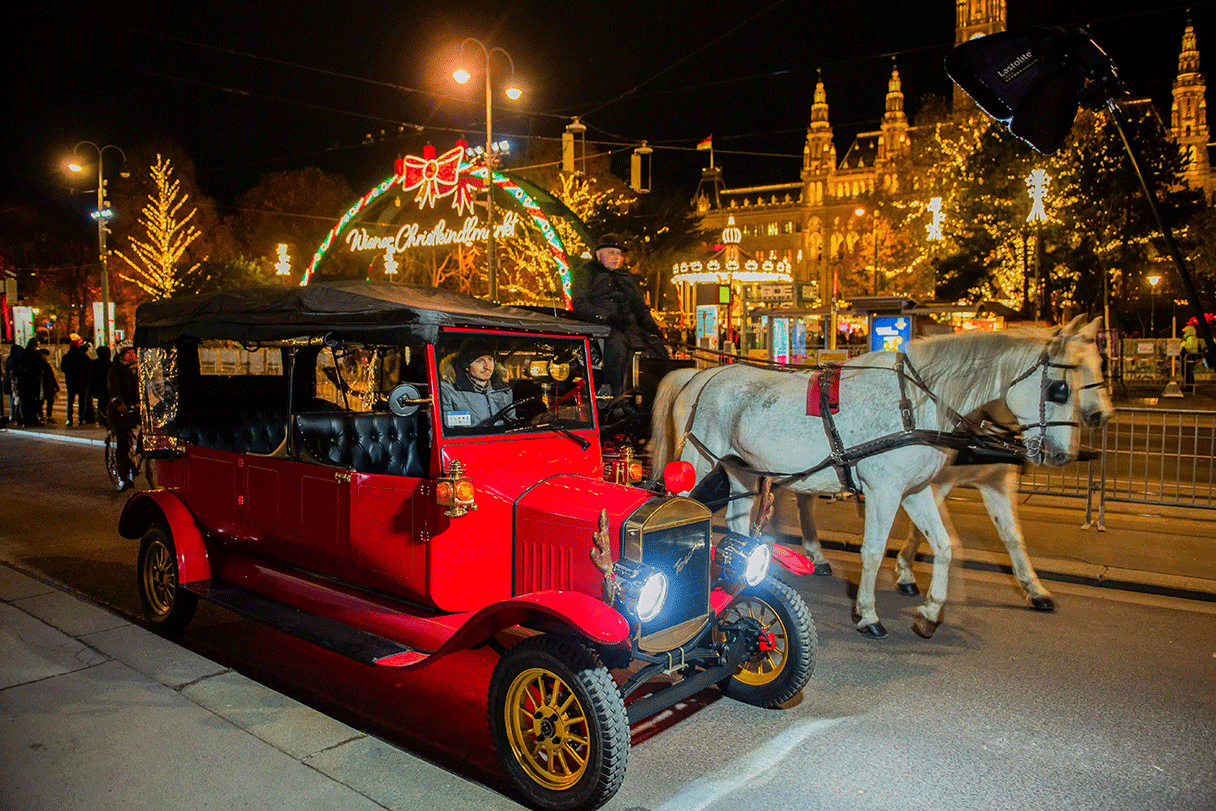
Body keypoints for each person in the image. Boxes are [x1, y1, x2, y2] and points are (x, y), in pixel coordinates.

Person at [571, 233, 669, 396]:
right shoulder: (586, 272)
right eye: (611, 253)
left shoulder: (626, 278)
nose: (616, 257)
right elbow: (580, 304)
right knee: (617, 345)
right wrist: (607, 318)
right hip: (602, 326)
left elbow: (639, 305)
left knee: (659, 350)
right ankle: (612, 394)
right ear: (599, 254)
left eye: (618, 254)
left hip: (628, 325)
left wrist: (651, 327)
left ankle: (655, 395)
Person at [439, 338, 513, 428]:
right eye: (480, 361)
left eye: (490, 360)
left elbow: (512, 424)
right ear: (466, 365)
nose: (487, 367)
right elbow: (443, 430)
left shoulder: (504, 390)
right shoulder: (448, 391)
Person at [107, 342, 140, 490]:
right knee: (123, 442)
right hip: (120, 412)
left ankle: (139, 454)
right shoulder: (115, 371)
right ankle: (122, 476)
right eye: (129, 353)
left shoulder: (139, 369)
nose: (132, 356)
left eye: (134, 353)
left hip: (136, 408)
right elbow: (114, 390)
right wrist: (119, 403)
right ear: (121, 355)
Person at [60, 334, 90, 426]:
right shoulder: (84, 357)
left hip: (71, 381)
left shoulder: (66, 357)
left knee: (70, 400)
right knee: (82, 401)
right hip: (83, 381)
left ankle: (69, 419)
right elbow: (89, 367)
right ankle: (81, 419)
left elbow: (63, 368)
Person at [89, 346, 112, 426]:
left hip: (98, 387)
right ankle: (106, 418)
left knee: (101, 403)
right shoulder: (110, 364)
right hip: (107, 387)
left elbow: (91, 376)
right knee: (107, 403)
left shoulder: (94, 363)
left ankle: (102, 418)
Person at [37, 347, 59, 423]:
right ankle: (43, 416)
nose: (46, 357)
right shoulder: (44, 365)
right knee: (42, 401)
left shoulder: (45, 364)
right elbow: (51, 376)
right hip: (45, 385)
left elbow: (52, 376)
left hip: (47, 385)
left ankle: (45, 416)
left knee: (48, 401)